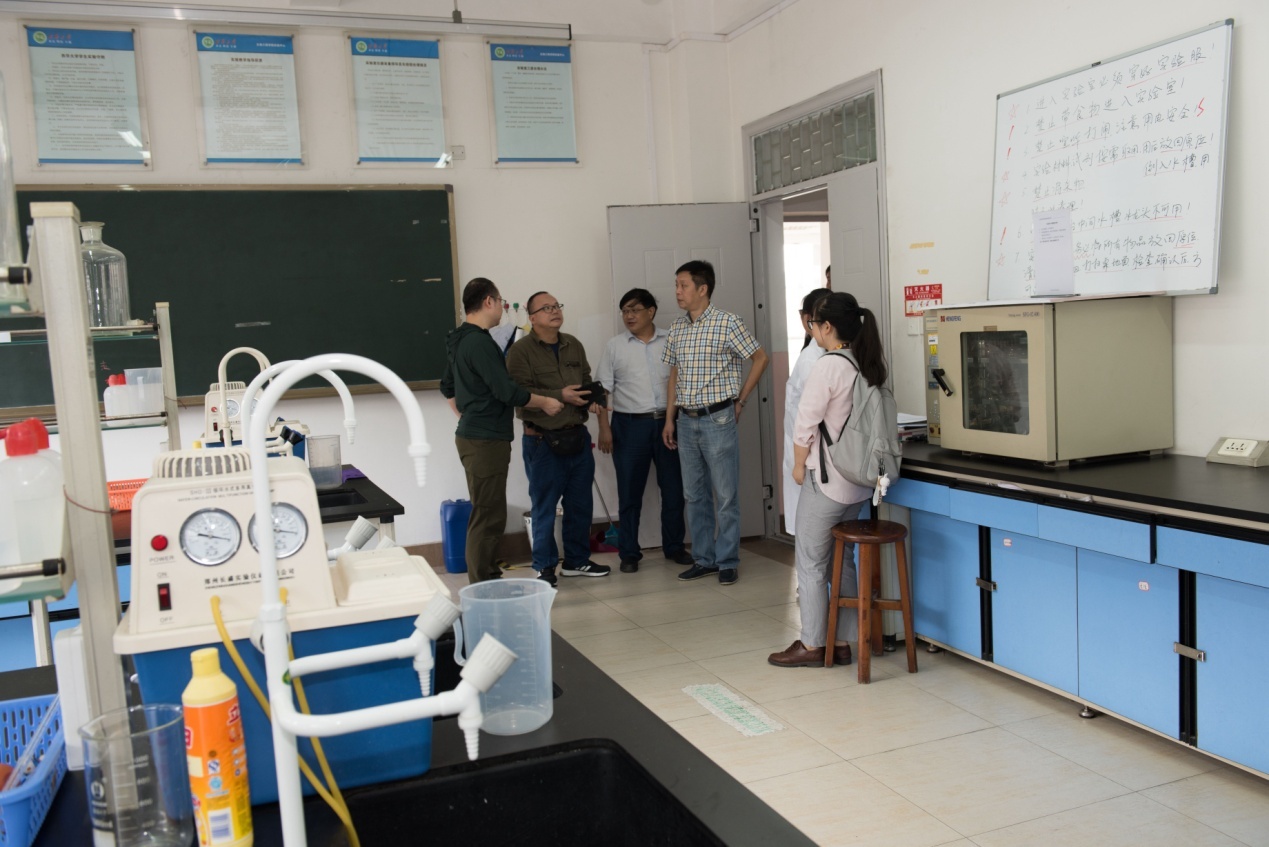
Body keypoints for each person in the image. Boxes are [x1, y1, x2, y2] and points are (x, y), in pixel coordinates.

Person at [768, 291, 888, 667]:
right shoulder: (865, 361)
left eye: (815, 324)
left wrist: (798, 465)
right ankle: (843, 641)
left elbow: (806, 422)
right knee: (843, 559)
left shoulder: (828, 365)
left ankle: (813, 643)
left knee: (811, 562)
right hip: (859, 483)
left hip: (828, 481)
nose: (813, 330)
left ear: (827, 327)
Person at [440, 278, 564, 583]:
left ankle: (488, 578)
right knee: (488, 514)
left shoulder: (460, 338)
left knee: (488, 511)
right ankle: (483, 585)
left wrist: (468, 415)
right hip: (485, 439)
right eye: (500, 302)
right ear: (488, 302)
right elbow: (507, 391)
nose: (502, 308)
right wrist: (546, 402)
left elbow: (447, 386)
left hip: (475, 435)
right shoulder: (479, 342)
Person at [662, 260, 769, 586]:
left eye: (683, 285)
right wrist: (669, 418)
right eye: (676, 285)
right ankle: (704, 559)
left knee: (725, 495)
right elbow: (674, 374)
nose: (677, 291)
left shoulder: (727, 322)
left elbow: (760, 358)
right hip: (685, 419)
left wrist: (741, 400)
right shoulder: (677, 327)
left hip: (718, 417)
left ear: (702, 289)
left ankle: (727, 561)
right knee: (694, 495)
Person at [507, 291, 612, 586]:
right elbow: (518, 395)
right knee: (544, 506)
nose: (554, 311)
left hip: (577, 437)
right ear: (532, 318)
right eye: (546, 308)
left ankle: (576, 561)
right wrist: (559, 395)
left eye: (557, 306)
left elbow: (587, 382)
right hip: (542, 441)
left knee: (580, 504)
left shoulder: (573, 344)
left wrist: (594, 402)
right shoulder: (521, 351)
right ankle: (544, 567)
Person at [595, 289, 693, 573]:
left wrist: (673, 420)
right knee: (629, 493)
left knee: (674, 491)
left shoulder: (671, 340)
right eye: (625, 310)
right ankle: (629, 552)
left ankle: (674, 546)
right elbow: (602, 391)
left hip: (668, 423)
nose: (629, 316)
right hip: (628, 426)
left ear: (651, 311)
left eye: (635, 309)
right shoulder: (615, 346)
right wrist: (604, 429)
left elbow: (682, 381)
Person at [782, 288, 832, 536]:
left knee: (818, 535)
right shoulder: (811, 359)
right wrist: (800, 464)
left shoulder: (825, 356)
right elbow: (811, 416)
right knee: (812, 535)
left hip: (818, 457)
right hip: (809, 456)